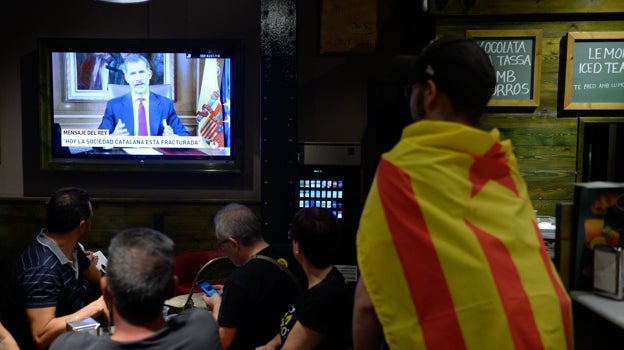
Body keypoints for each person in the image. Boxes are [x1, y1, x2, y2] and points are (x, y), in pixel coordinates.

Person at [352, 36, 573, 349]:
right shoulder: (503, 166)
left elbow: (367, 303)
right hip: (542, 333)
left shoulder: (403, 170)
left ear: (429, 94)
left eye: (411, 88)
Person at [50, 227, 222, 350]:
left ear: (106, 290)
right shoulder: (202, 329)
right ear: (172, 288)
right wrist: (217, 304)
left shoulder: (68, 345)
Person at [5, 187, 107, 350]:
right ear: (82, 226)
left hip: (72, 338)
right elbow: (41, 336)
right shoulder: (42, 270)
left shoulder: (71, 248)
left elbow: (101, 281)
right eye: (91, 218)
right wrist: (99, 306)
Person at [202, 203, 305, 350]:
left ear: (233, 243)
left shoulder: (240, 279)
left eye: (221, 245)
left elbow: (220, 342)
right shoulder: (292, 254)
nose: (222, 251)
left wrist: (218, 304)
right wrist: (231, 294)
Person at [256, 208, 353, 350]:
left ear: (298, 246)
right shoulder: (325, 278)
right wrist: (271, 344)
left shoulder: (324, 298)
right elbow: (294, 327)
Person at [98, 53, 190, 137]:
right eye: (133, 73)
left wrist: (173, 138)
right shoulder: (114, 106)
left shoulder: (165, 105)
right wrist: (112, 137)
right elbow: (98, 141)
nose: (138, 78)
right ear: (126, 78)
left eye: (141, 72)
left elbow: (185, 137)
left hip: (156, 154)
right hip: (127, 154)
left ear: (149, 74)